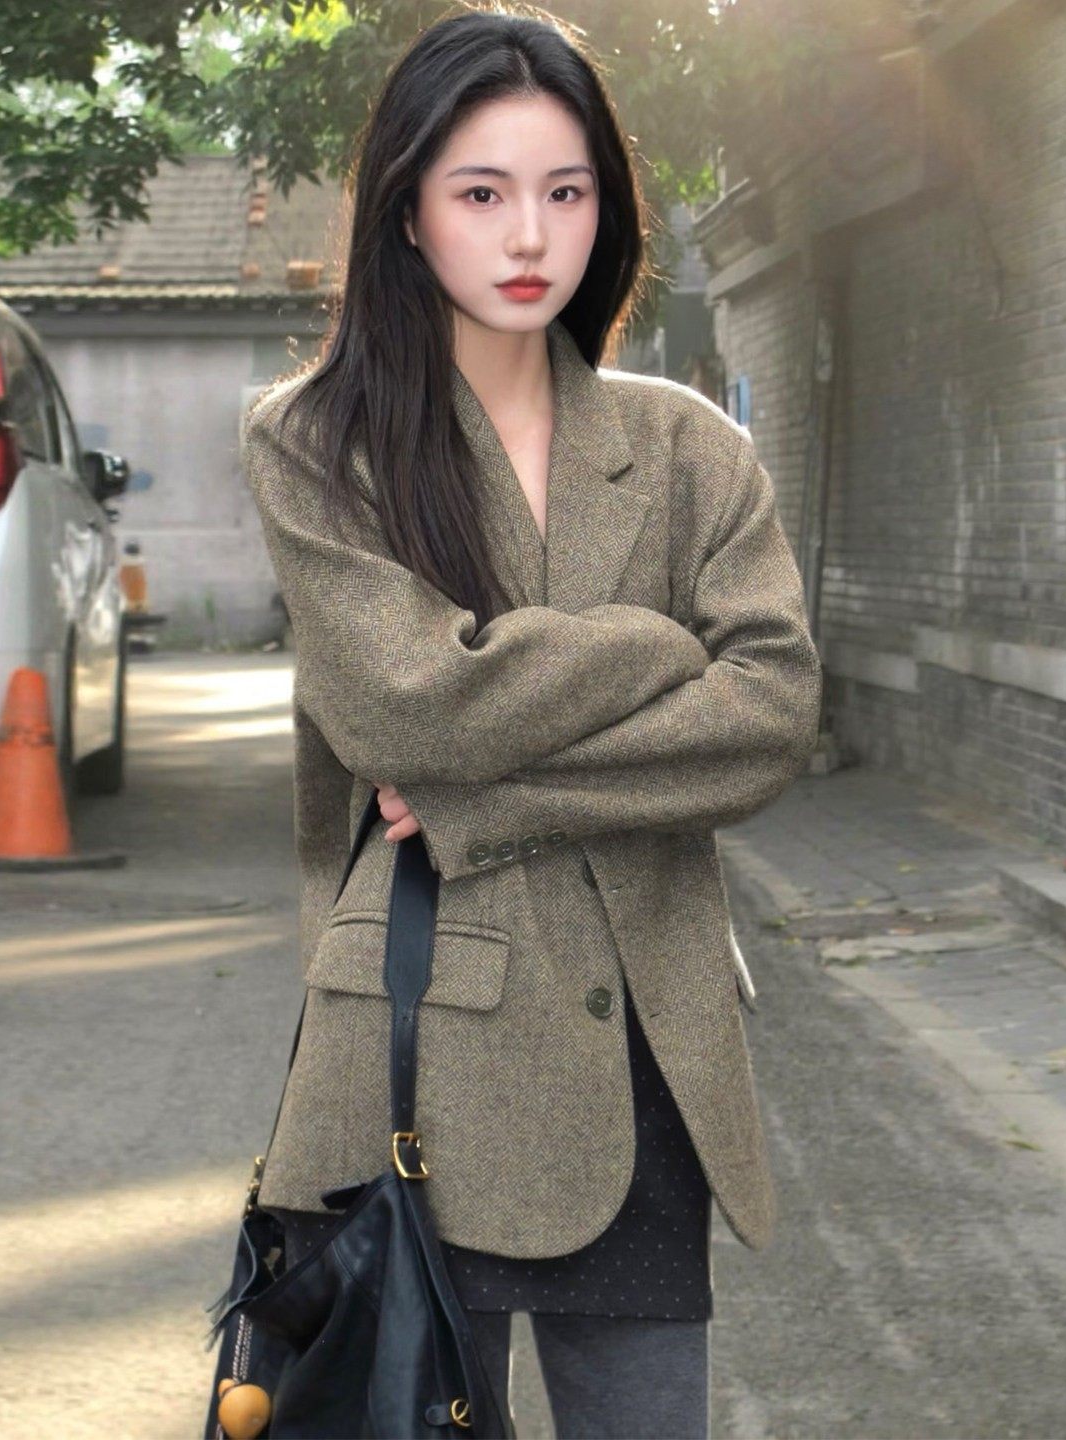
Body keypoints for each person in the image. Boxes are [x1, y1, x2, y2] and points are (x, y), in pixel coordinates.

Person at [240, 7, 823, 1436]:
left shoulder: (689, 448)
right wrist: (652, 645)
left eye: (566, 192)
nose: (528, 235)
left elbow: (768, 711)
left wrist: (483, 799)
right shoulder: (317, 440)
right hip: (410, 1045)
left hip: (641, 1040)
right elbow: (405, 699)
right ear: (407, 211)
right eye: (482, 192)